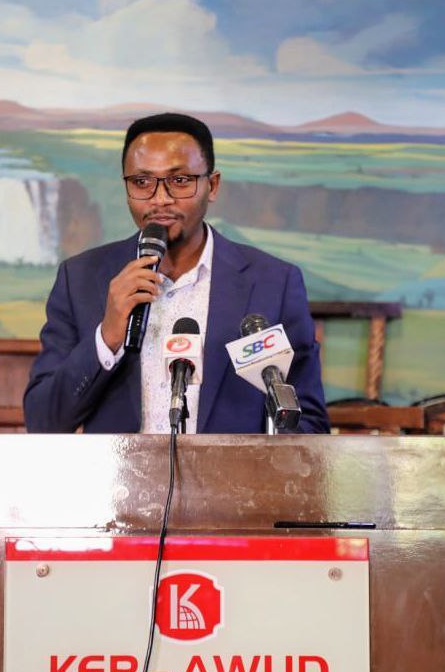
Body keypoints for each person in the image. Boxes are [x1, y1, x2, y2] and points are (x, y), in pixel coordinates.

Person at [24, 113, 329, 434]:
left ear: (212, 185)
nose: (160, 199)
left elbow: (308, 424)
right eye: (142, 182)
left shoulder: (273, 283)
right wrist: (107, 338)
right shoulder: (81, 279)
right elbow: (43, 421)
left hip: (231, 469)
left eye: (180, 180)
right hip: (122, 470)